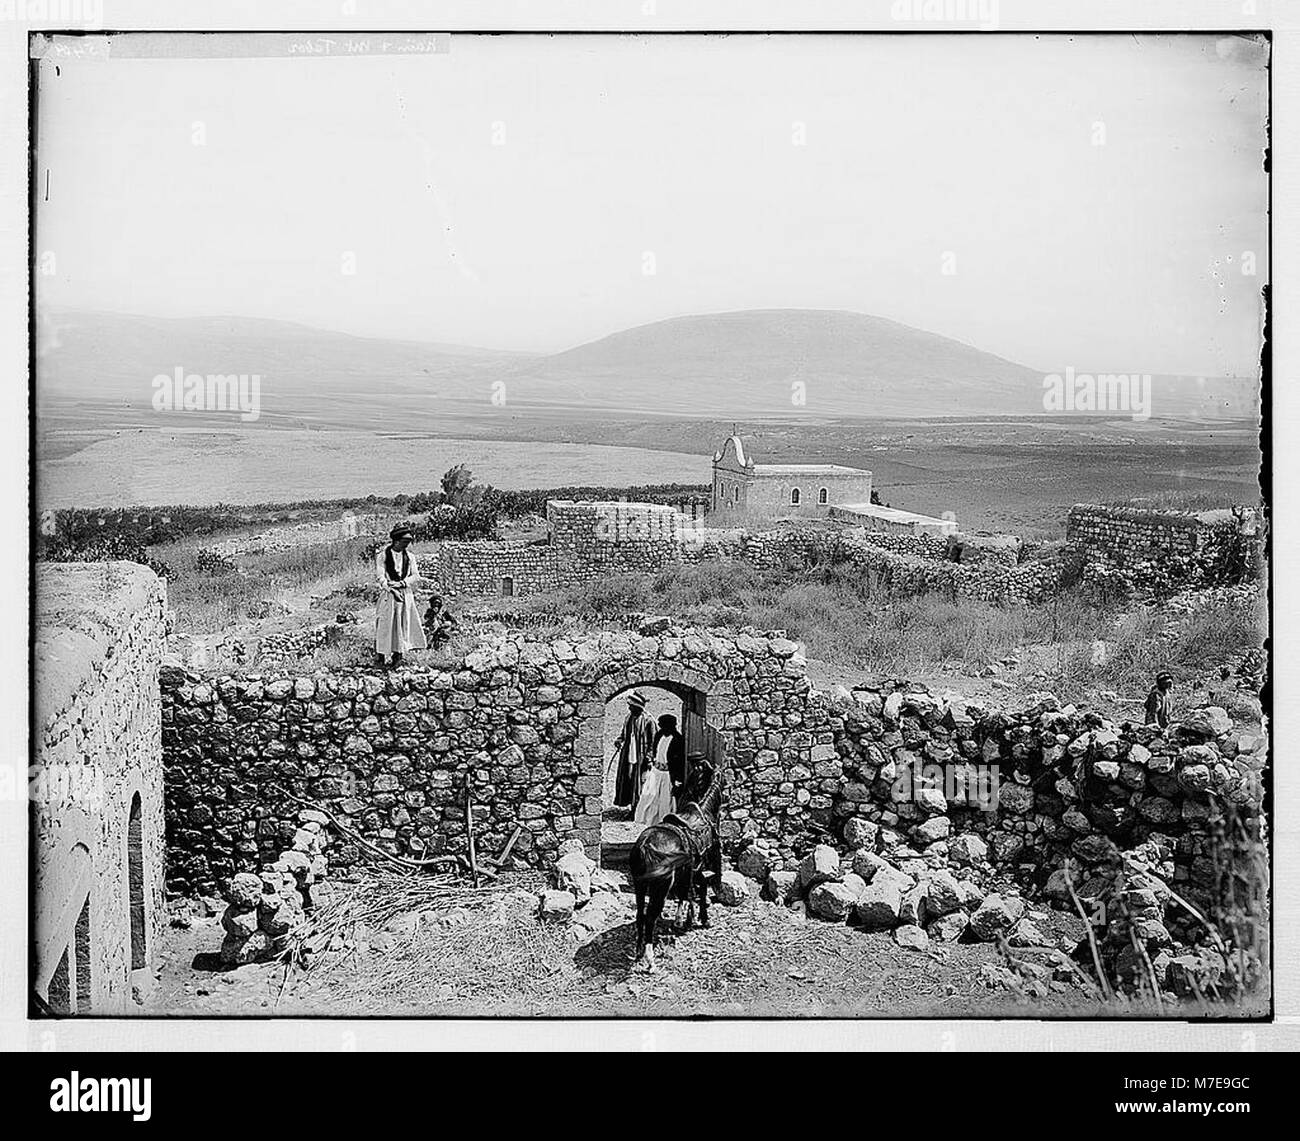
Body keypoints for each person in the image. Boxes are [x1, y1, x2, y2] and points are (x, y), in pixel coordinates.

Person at [374, 524, 427, 669]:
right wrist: (391, 589)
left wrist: (402, 584)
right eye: (404, 542)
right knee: (385, 625)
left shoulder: (410, 557)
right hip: (388, 595)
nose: (406, 545)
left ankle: (398, 656)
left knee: (402, 624)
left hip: (405, 595)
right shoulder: (383, 555)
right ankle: (381, 657)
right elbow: (380, 577)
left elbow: (415, 576)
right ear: (396, 541)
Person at [635, 713, 683, 826]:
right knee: (650, 797)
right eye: (661, 726)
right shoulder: (659, 735)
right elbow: (654, 750)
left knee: (665, 801)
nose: (662, 728)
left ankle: (664, 824)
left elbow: (679, 762)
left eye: (664, 726)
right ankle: (650, 823)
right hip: (656, 773)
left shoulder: (677, 739)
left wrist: (677, 780)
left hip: (667, 775)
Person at [611, 691, 656, 810]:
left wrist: (649, 757)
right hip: (629, 754)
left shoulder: (648, 720)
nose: (629, 708)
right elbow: (624, 734)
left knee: (641, 782)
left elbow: (653, 742)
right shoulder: (629, 718)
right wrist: (619, 740)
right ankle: (631, 806)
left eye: (631, 706)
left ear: (638, 707)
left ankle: (639, 808)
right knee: (629, 779)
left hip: (641, 756)